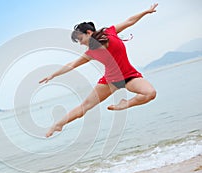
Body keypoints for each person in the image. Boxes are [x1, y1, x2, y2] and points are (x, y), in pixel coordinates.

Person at [39, 3, 158, 138]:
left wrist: (146, 12)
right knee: (85, 107)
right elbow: (72, 64)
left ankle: (125, 104)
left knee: (150, 93)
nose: (81, 43)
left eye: (81, 39)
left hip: (129, 75)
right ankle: (58, 124)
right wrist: (52, 75)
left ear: (89, 33)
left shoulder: (110, 32)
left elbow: (130, 21)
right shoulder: (91, 52)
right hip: (110, 81)